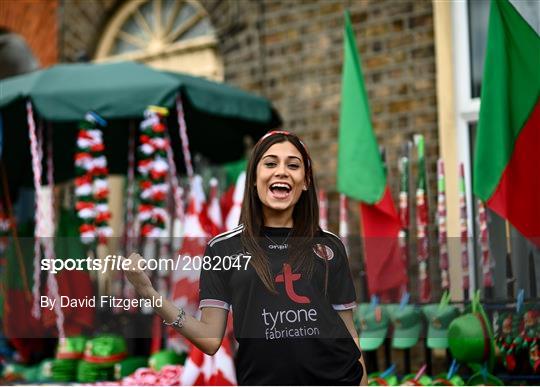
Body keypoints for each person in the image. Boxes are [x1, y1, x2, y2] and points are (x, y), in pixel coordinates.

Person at [124, 130, 367, 385]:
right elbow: (209, 339)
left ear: (305, 181)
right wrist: (148, 292)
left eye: (293, 165)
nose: (282, 171)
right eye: (270, 163)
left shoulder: (329, 245)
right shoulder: (223, 249)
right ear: (254, 178)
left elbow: (348, 332)